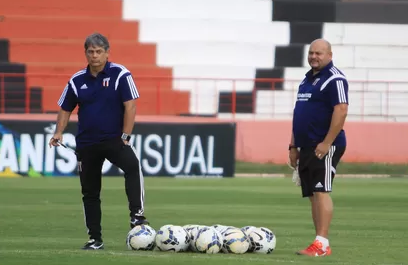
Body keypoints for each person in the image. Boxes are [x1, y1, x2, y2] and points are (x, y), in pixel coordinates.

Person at [48, 33, 149, 250]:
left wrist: (125, 136)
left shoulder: (120, 74)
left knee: (133, 167)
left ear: (107, 52)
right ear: (85, 53)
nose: (95, 56)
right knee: (90, 192)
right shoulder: (76, 80)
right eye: (91, 52)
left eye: (99, 51)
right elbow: (65, 108)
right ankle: (95, 239)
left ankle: (137, 217)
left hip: (115, 140)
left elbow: (130, 105)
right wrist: (58, 132)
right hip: (87, 144)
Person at [289, 38, 348, 257]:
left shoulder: (335, 79)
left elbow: (341, 110)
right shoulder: (306, 80)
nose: (314, 56)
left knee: (322, 190)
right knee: (314, 193)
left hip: (323, 145)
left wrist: (327, 142)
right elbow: (299, 114)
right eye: (311, 52)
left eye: (319, 53)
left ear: (329, 55)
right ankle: (318, 242)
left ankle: (322, 244)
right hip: (306, 146)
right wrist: (293, 145)